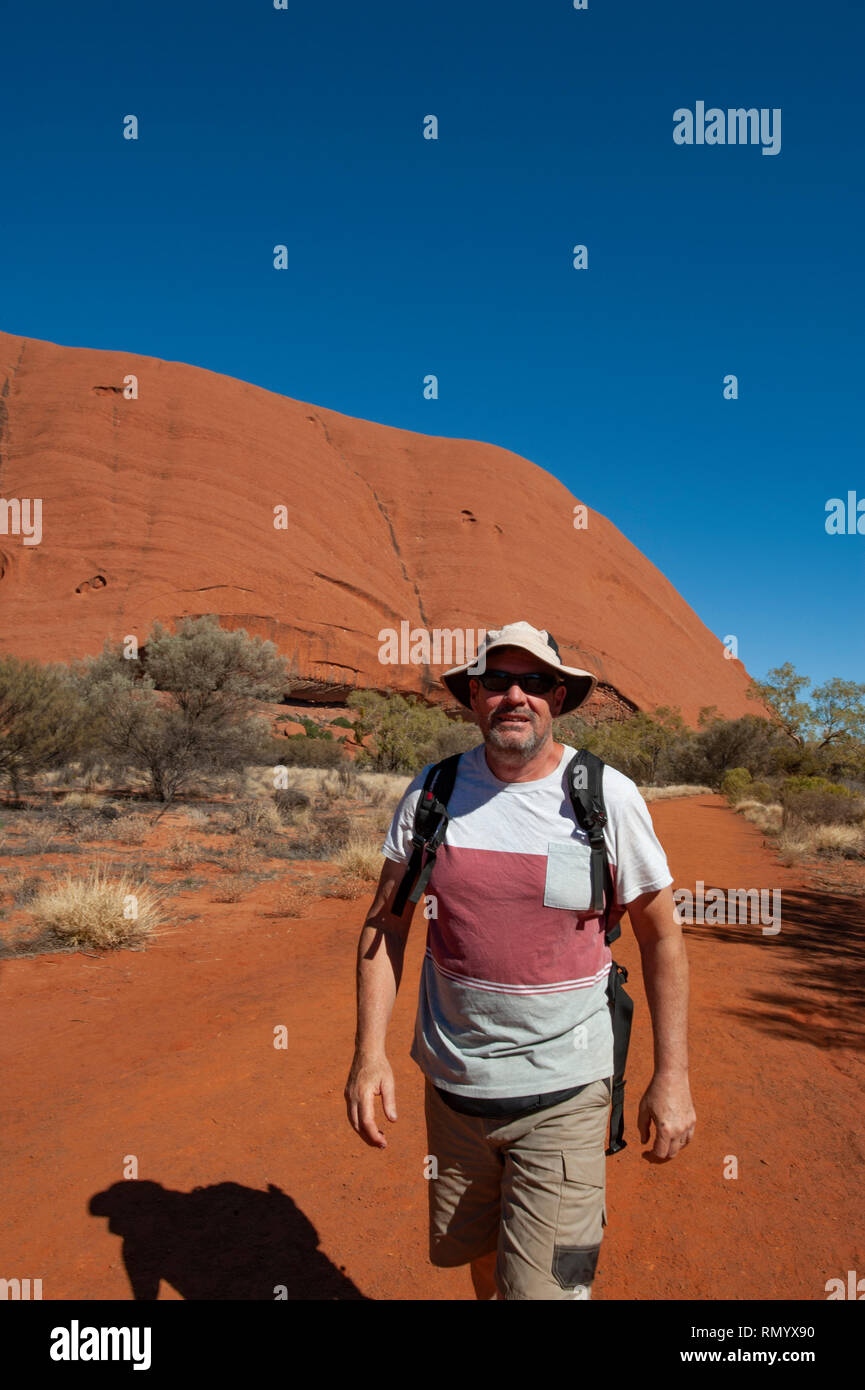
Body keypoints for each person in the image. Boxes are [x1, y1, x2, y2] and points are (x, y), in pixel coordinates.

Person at [345, 621, 696, 1300]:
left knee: (544, 1292)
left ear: (557, 698)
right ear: (472, 696)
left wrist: (672, 1075)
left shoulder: (605, 796)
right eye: (496, 681)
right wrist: (368, 1053)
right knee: (480, 1261)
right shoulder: (434, 793)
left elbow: (661, 937)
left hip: (565, 1089)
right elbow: (385, 926)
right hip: (454, 1089)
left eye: (534, 682)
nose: (515, 696)